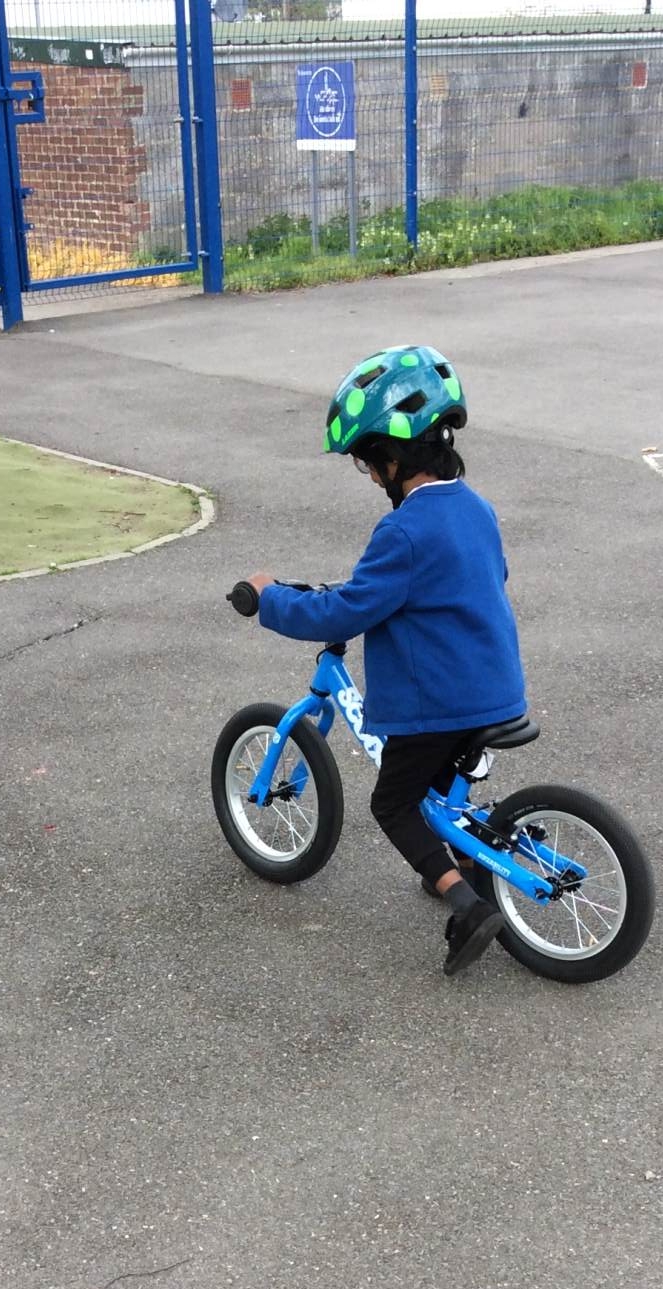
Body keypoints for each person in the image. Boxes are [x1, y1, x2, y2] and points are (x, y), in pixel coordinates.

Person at [247, 345, 527, 977]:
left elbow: (340, 613)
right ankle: (459, 862)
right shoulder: (476, 509)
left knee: (392, 805)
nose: (372, 478)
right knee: (438, 790)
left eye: (368, 464)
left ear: (394, 459)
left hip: (440, 704)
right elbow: (486, 578)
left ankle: (466, 904)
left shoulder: (402, 532)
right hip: (497, 688)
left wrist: (270, 599)